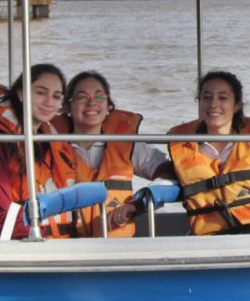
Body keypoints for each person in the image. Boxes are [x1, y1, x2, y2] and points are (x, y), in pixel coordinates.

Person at [52, 70, 175, 238]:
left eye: (99, 96)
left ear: (109, 107)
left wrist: (137, 204)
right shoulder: (49, 147)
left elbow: (170, 172)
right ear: (67, 107)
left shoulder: (127, 145)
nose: (92, 103)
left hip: (115, 245)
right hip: (64, 245)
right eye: (82, 97)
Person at [0, 64, 76, 240]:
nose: (49, 102)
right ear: (20, 93)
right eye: (41, 92)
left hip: (54, 242)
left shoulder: (51, 141)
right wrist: (43, 238)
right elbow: (0, 214)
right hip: (11, 245)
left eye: (56, 96)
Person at [167, 71, 250, 235]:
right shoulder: (182, 143)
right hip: (208, 239)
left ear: (237, 105)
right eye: (207, 97)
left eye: (222, 98)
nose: (213, 104)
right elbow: (163, 170)